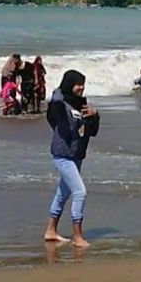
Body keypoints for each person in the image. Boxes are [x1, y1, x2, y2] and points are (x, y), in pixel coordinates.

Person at [44, 70, 100, 248]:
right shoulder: (60, 104)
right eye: (78, 84)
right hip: (62, 153)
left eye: (83, 84)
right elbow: (53, 108)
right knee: (80, 192)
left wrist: (95, 115)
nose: (81, 88)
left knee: (64, 193)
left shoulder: (82, 105)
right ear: (69, 84)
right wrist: (58, 92)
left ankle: (50, 231)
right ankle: (77, 236)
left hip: (77, 153)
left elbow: (93, 132)